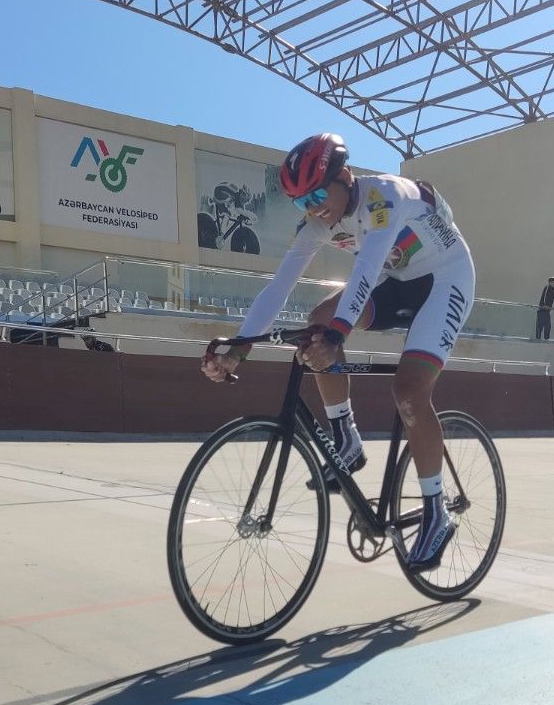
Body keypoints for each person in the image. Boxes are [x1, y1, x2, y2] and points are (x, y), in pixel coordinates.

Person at [199, 133, 476, 572]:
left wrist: (338, 336)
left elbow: (366, 267)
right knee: (318, 322)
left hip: (445, 279)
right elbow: (279, 285)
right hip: (397, 283)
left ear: (344, 175)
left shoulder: (384, 196)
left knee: (409, 392)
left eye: (317, 194)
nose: (312, 208)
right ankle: (346, 437)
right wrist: (240, 347)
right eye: (300, 202)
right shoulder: (317, 225)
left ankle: (436, 511)